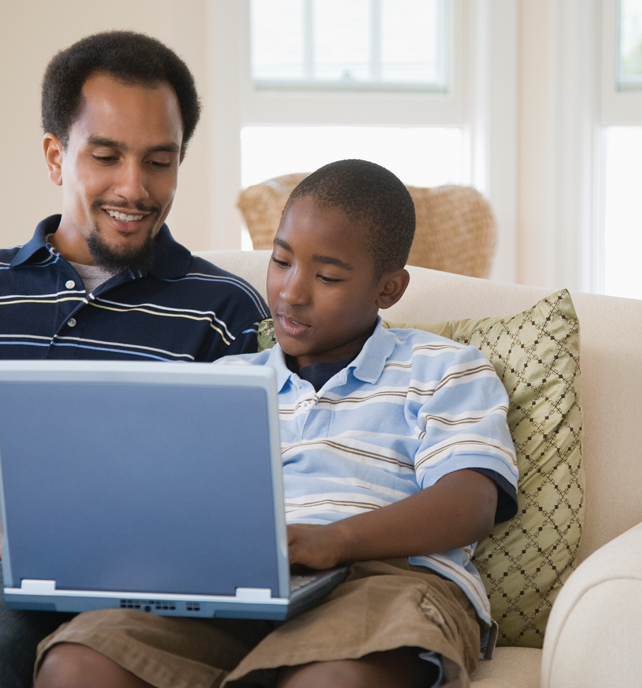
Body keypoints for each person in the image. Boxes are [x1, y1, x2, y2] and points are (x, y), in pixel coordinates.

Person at [0, 31, 268, 688]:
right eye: (107, 156)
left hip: (11, 584)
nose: (135, 187)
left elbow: (228, 507)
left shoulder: (223, 313)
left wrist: (63, 536)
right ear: (57, 157)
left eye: (159, 161)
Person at [32, 159, 520, 688]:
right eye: (281, 261)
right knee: (76, 663)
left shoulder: (444, 366)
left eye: (327, 276)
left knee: (331, 681)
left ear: (388, 289)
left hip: (386, 581)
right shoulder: (226, 380)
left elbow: (471, 502)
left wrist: (332, 541)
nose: (292, 291)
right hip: (234, 591)